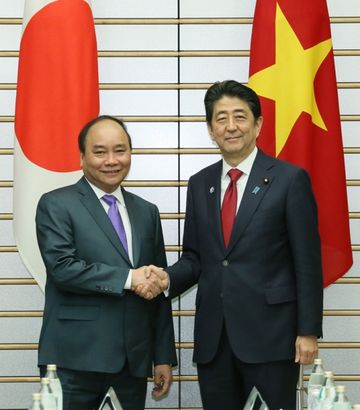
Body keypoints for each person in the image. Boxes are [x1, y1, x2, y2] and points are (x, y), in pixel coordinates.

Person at [136, 80, 323, 409]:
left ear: (258, 124)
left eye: (240, 116)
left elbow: (307, 262)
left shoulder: (289, 179)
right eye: (221, 118)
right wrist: (166, 279)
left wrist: (308, 331)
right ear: (210, 129)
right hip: (214, 340)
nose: (231, 126)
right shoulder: (200, 183)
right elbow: (196, 258)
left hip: (272, 339)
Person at [35, 115, 177, 410]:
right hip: (74, 361)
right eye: (100, 152)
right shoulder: (56, 204)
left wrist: (162, 356)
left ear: (130, 153)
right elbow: (62, 268)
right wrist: (129, 278)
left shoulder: (146, 212)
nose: (111, 160)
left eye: (120, 150)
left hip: (132, 362)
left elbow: (158, 287)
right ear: (83, 157)